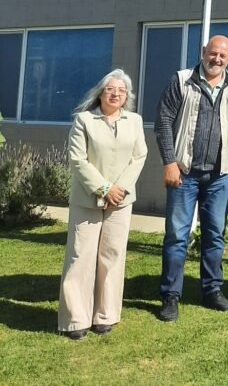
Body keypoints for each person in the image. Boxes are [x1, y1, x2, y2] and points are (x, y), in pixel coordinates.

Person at [154, 35, 228, 322]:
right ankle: (171, 296)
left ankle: (212, 290)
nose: (216, 59)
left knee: (215, 236)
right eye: (213, 53)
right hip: (184, 173)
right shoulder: (182, 80)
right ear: (203, 52)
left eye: (223, 56)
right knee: (177, 237)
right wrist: (170, 162)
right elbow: (163, 121)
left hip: (219, 176)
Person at [58, 69, 148, 340]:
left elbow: (139, 156)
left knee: (112, 256)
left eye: (121, 91)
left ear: (127, 96)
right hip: (88, 199)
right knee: (80, 256)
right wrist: (104, 188)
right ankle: (75, 319)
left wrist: (118, 190)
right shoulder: (85, 120)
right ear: (101, 92)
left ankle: (105, 315)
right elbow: (78, 160)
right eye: (111, 89)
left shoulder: (134, 121)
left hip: (120, 202)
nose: (116, 94)